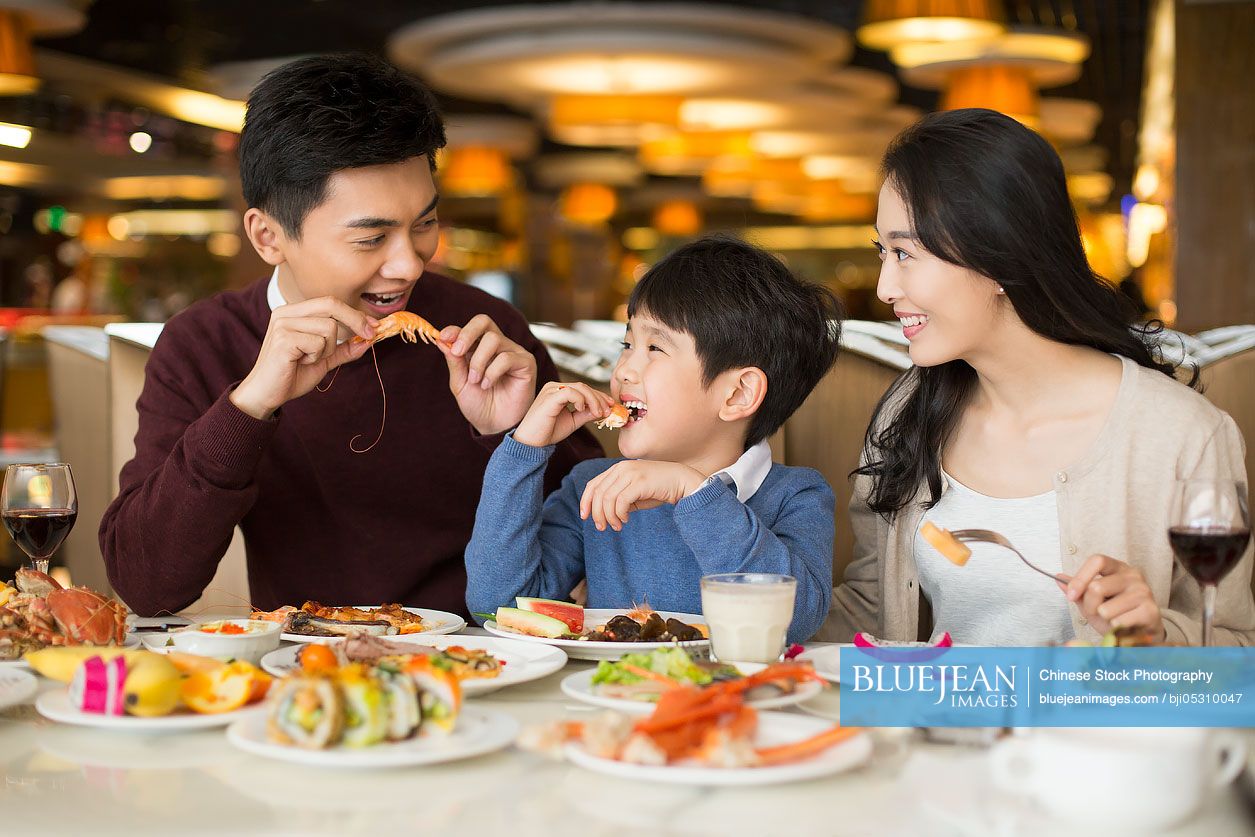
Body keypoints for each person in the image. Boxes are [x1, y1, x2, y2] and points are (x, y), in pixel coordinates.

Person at [99, 55, 601, 616]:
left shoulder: (486, 329)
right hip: (308, 669)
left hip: (486, 657)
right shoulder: (203, 344)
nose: (410, 266)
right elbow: (146, 584)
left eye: (424, 224)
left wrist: (511, 436)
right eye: (371, 238)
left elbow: (596, 533)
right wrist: (251, 404)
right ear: (268, 236)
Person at [821, 109, 1255, 646]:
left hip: (1100, 731)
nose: (885, 286)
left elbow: (1238, 646)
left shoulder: (1182, 434)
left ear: (997, 256)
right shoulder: (907, 409)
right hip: (942, 729)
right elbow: (872, 606)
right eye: (883, 251)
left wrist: (1156, 639)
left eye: (906, 253)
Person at [465, 236, 844, 643]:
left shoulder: (797, 496)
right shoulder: (591, 487)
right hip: (611, 700)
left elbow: (795, 619)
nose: (624, 369)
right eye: (626, 344)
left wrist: (692, 491)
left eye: (655, 347)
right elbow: (498, 605)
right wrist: (524, 448)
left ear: (737, 394)